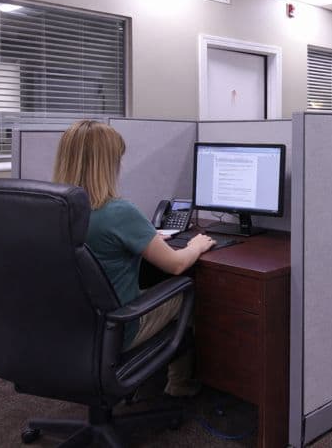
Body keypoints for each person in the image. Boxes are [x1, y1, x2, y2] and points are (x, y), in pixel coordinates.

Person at [53, 120, 215, 398]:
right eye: (117, 159)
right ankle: (179, 385)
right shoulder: (118, 212)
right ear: (107, 164)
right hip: (117, 328)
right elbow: (176, 264)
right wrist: (197, 245)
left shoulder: (52, 209)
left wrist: (144, 239)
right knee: (186, 293)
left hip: (64, 325)